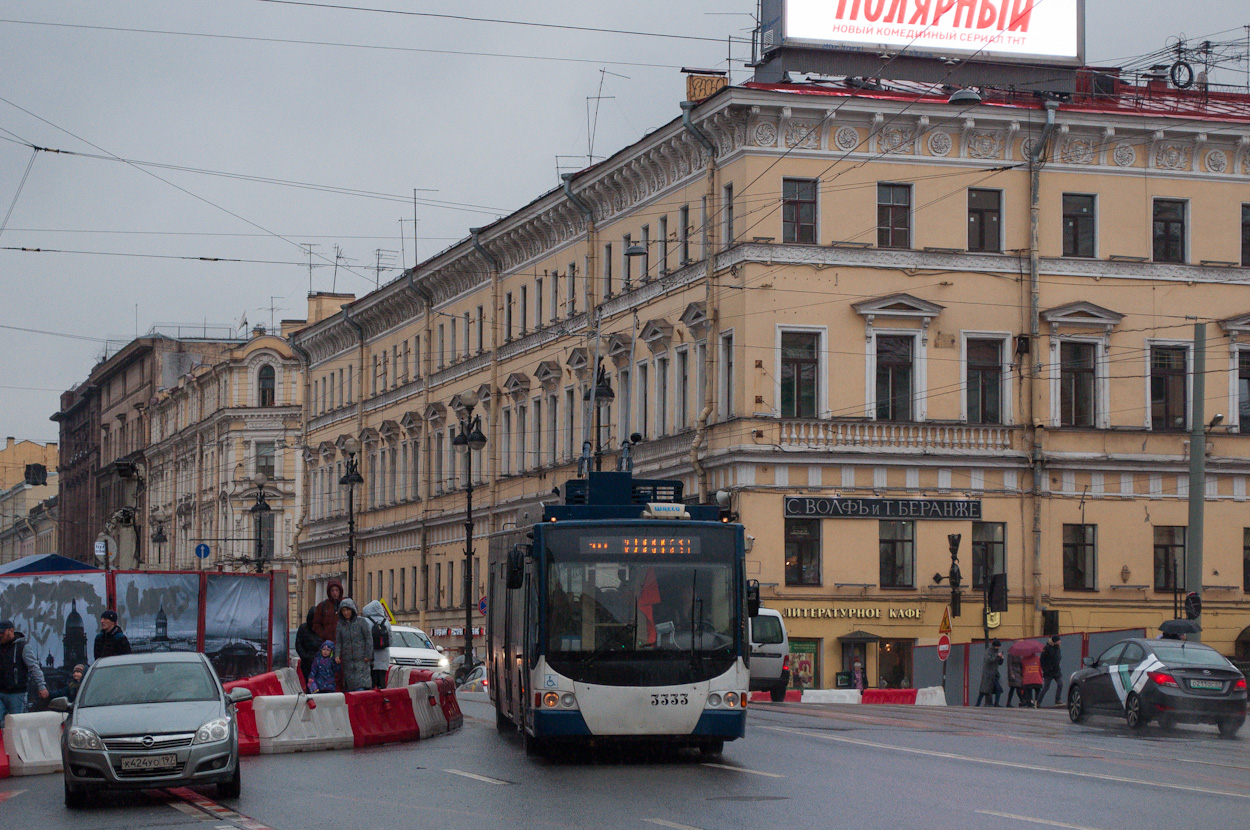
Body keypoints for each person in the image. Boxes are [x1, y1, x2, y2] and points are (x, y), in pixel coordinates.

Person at [0, 620, 48, 718]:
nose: (0, 635)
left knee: (17, 722)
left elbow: (34, 667)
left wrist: (41, 686)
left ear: (11, 630)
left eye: (2, 632)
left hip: (17, 694)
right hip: (1, 692)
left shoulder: (23, 647)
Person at [334, 598, 373, 692]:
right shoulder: (340, 625)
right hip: (348, 662)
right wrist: (337, 654)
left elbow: (368, 638)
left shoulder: (362, 622)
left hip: (362, 660)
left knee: (361, 688)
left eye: (347, 610)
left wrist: (368, 655)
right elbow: (339, 641)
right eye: (343, 610)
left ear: (352, 610)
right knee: (351, 688)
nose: (346, 613)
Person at [360, 599, 391, 689]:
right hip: (384, 659)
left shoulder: (365, 621)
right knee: (381, 685)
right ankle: (384, 701)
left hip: (370, 658)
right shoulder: (386, 622)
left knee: (370, 685)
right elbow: (390, 640)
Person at [295, 608, 322, 682]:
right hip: (307, 663)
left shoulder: (322, 629)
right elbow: (298, 645)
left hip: (321, 663)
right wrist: (306, 657)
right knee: (310, 684)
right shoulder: (303, 628)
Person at [976, 640, 1004, 707]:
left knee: (998, 689)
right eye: (997, 646)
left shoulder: (997, 652)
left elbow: (999, 663)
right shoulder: (988, 651)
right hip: (988, 674)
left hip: (994, 674)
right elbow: (989, 660)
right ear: (995, 646)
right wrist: (997, 656)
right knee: (984, 690)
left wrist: (1001, 659)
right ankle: (978, 704)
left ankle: (996, 703)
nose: (998, 648)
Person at [1039, 635, 1064, 707]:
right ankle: (1038, 702)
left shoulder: (1058, 648)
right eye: (1059, 640)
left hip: (1056, 670)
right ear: (1055, 641)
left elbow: (1058, 658)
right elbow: (1042, 659)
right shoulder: (1047, 648)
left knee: (1060, 684)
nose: (1060, 641)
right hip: (1049, 671)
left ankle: (1058, 700)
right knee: (1046, 687)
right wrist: (1045, 669)